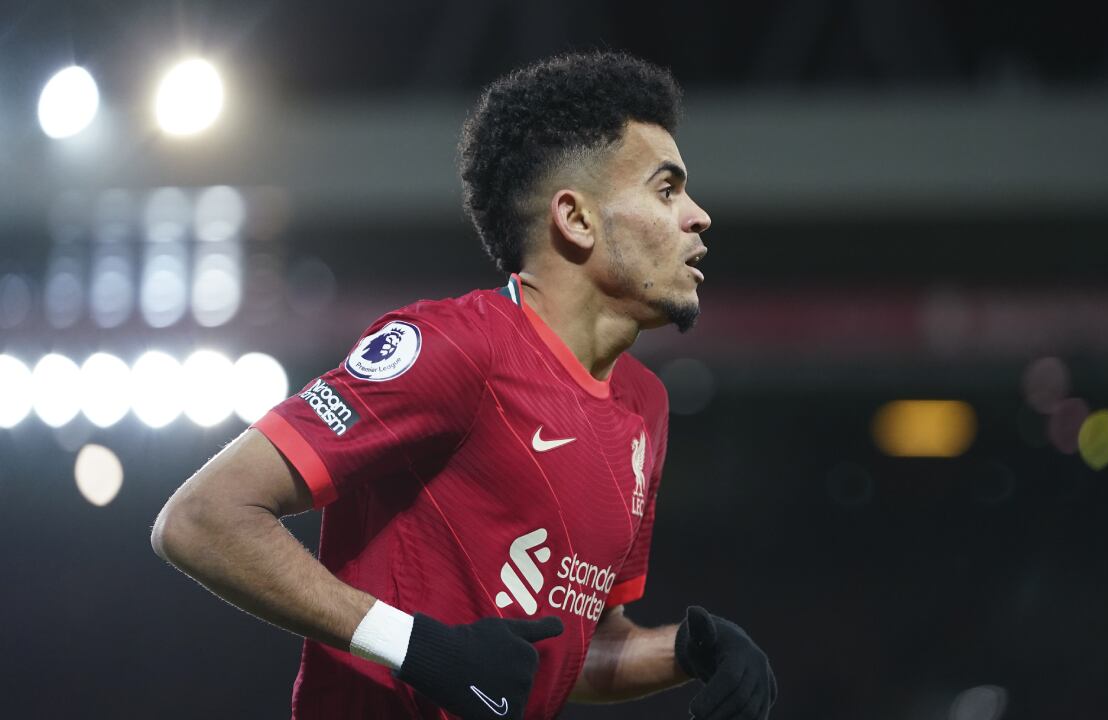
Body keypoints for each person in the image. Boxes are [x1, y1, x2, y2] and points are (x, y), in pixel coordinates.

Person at [152, 50, 776, 720]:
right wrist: (416, 646)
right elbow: (201, 518)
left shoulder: (644, 406)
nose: (698, 215)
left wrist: (689, 652)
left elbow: (562, 656)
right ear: (577, 220)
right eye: (666, 189)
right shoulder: (457, 348)